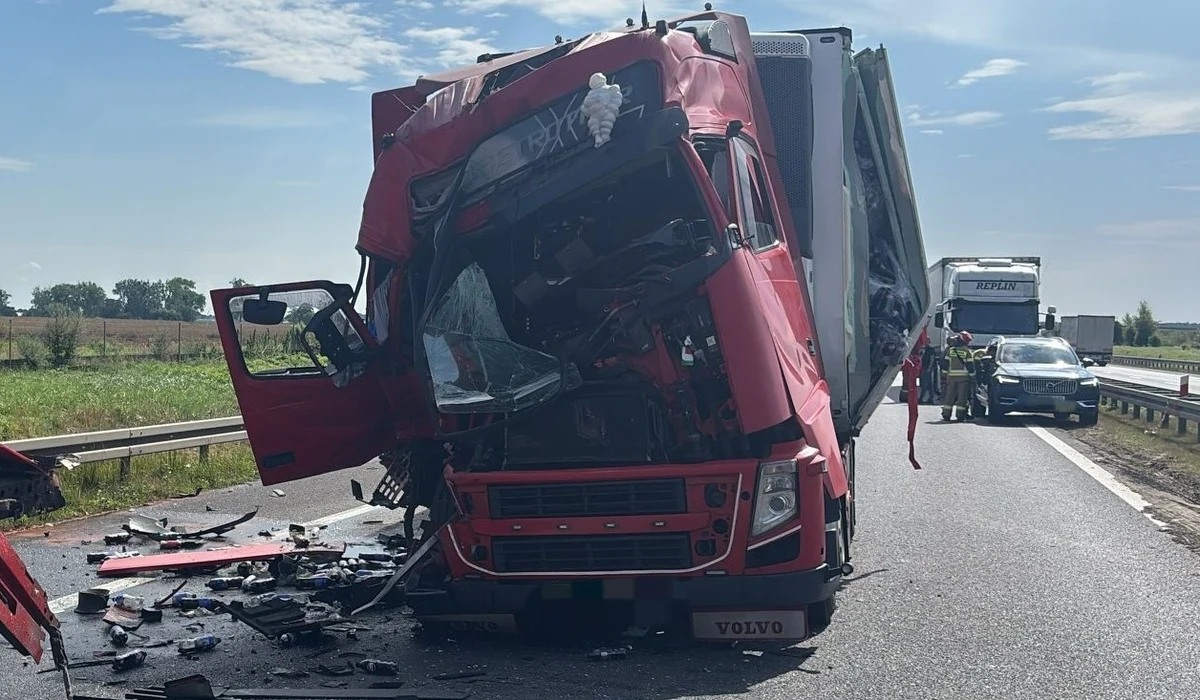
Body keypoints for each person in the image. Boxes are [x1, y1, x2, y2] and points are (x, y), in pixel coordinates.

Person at [940, 330, 975, 422]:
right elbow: (970, 367)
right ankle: (960, 416)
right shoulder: (967, 352)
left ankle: (946, 415)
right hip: (963, 379)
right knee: (962, 398)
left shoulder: (951, 351)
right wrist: (973, 378)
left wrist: (943, 376)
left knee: (949, 397)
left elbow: (945, 364)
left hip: (951, 378)